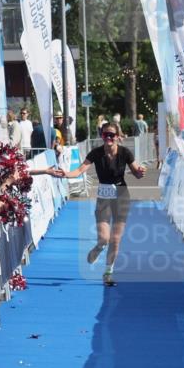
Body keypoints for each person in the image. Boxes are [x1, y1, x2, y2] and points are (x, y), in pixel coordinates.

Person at [49, 122, 145, 286]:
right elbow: (79, 170)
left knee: (115, 239)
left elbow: (137, 173)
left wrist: (140, 171)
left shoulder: (125, 152)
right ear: (102, 136)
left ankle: (108, 272)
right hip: (104, 196)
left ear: (117, 136)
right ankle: (99, 248)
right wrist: (66, 174)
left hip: (121, 195)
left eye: (112, 135)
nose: (109, 138)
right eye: (106, 134)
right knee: (104, 239)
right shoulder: (96, 153)